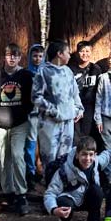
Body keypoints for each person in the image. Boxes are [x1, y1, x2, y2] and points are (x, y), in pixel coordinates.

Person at [0, 43, 35, 215]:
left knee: (17, 156)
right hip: (0, 125)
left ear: (20, 58)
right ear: (5, 57)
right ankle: (8, 193)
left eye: (15, 56)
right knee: (3, 159)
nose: (12, 58)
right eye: (9, 55)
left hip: (20, 124)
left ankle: (21, 194)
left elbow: (31, 98)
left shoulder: (25, 75)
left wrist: (24, 113)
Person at [43, 136, 106, 221]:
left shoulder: (95, 163)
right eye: (84, 154)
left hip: (86, 198)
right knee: (64, 201)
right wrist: (53, 209)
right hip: (69, 199)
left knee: (97, 191)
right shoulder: (64, 170)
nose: (87, 159)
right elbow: (50, 193)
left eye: (91, 155)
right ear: (77, 154)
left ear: (95, 155)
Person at [33, 40, 83, 169]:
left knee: (65, 157)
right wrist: (54, 111)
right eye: (67, 52)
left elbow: (75, 93)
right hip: (50, 123)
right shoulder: (43, 72)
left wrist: (78, 109)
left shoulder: (68, 71)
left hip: (68, 122)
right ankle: (50, 186)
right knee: (50, 158)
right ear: (59, 54)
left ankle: (61, 185)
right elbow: (36, 97)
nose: (70, 55)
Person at [69, 41, 102, 143]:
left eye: (87, 51)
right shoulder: (70, 69)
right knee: (75, 134)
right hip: (74, 105)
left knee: (86, 133)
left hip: (89, 107)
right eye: (82, 51)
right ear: (77, 53)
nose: (85, 54)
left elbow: (100, 89)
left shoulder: (96, 69)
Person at [25, 43, 46, 183]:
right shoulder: (25, 73)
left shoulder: (47, 72)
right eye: (34, 56)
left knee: (45, 143)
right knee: (31, 142)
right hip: (31, 113)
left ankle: (45, 170)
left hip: (46, 113)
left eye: (40, 56)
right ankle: (30, 172)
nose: (37, 59)